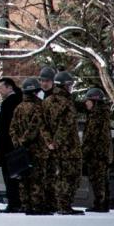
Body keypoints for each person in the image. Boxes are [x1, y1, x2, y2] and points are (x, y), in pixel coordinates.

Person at [43, 70, 81, 214]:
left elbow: (43, 125)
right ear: (65, 86)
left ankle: (54, 204)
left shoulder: (46, 101)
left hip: (51, 147)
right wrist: (57, 142)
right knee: (69, 176)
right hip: (68, 147)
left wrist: (49, 142)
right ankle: (64, 206)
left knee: (55, 176)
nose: (71, 87)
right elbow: (65, 125)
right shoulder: (67, 102)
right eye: (70, 85)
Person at [9, 73, 47, 214]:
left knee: (24, 179)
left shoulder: (19, 108)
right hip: (36, 149)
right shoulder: (39, 107)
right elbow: (34, 127)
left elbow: (12, 128)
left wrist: (17, 143)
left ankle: (26, 204)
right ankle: (37, 206)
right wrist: (25, 141)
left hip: (21, 151)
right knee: (37, 178)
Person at [0, 77, 22, 212]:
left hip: (8, 145)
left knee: (9, 176)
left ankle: (13, 203)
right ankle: (17, 202)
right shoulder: (19, 100)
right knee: (17, 175)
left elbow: (5, 128)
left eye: (1, 87)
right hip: (17, 144)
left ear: (9, 87)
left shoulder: (8, 103)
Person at [82, 87, 110, 213]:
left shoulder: (96, 116)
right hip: (101, 153)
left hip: (96, 154)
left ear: (94, 101)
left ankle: (100, 204)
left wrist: (83, 152)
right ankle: (102, 203)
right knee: (102, 179)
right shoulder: (102, 114)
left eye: (88, 100)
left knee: (97, 179)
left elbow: (90, 137)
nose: (86, 103)